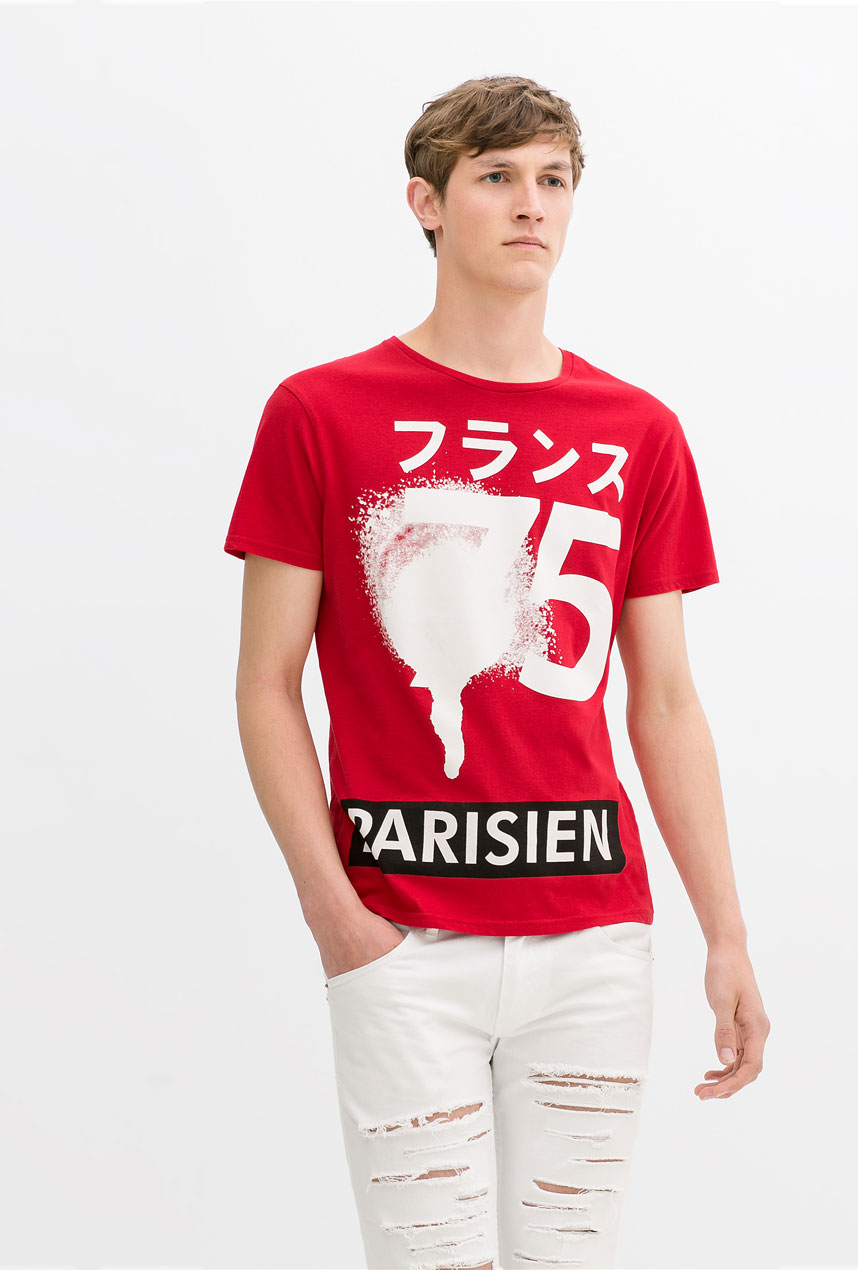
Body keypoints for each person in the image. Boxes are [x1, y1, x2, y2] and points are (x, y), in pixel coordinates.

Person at [223, 73, 769, 1270]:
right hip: (401, 937)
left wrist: (724, 935)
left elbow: (664, 700)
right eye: (497, 176)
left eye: (553, 179)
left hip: (593, 941)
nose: (532, 204)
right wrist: (334, 913)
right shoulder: (320, 413)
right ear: (426, 202)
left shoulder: (635, 430)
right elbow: (265, 683)